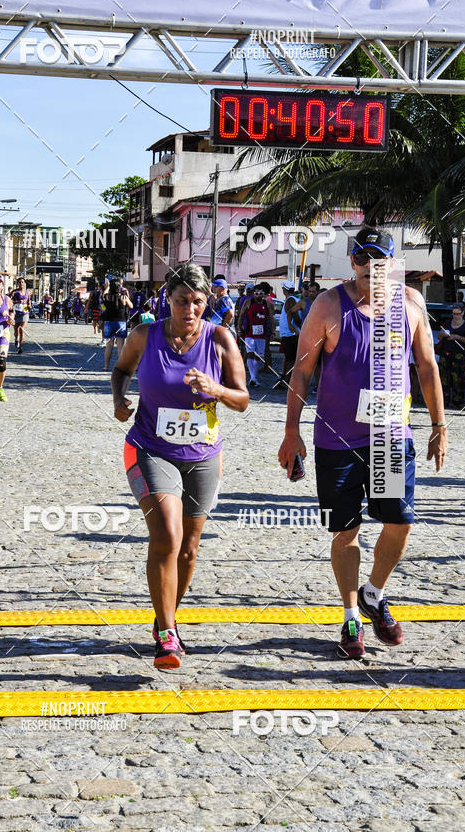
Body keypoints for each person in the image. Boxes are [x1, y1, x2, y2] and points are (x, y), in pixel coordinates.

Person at [278, 227, 447, 660]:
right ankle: (352, 613)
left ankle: (374, 593)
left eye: (378, 259)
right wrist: (291, 430)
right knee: (345, 531)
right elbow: (301, 371)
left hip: (391, 438)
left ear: (390, 263)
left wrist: (439, 425)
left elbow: (427, 366)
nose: (369, 267)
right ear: (352, 262)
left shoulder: (411, 303)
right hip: (338, 440)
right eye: (361, 258)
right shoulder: (329, 304)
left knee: (400, 522)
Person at [111, 263, 248, 669]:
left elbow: (242, 399)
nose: (190, 309)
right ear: (167, 300)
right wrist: (119, 400)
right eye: (182, 301)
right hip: (150, 448)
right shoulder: (144, 335)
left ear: (208, 303)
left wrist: (215, 388)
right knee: (167, 537)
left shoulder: (220, 338)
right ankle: (168, 635)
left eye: (198, 302)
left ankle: (162, 618)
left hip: (203, 455)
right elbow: (121, 370)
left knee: (188, 550)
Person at [436, 304, 465, 408]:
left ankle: (457, 402)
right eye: (454, 313)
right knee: (444, 378)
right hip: (445, 353)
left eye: (458, 313)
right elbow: (439, 337)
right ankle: (444, 400)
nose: (456, 316)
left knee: (458, 378)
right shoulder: (447, 323)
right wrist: (443, 334)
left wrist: (457, 337)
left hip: (459, 355)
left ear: (463, 313)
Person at [238, 284, 271, 389]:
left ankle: (254, 377)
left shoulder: (268, 304)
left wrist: (273, 331)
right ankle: (253, 378)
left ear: (264, 294)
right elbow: (241, 314)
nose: (258, 295)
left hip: (262, 334)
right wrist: (239, 328)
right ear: (254, 293)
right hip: (249, 333)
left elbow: (271, 319)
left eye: (260, 293)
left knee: (259, 356)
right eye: (256, 293)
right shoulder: (248, 302)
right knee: (250, 353)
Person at [102, 279, 132, 371]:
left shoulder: (107, 296)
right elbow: (131, 306)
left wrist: (107, 287)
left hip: (109, 323)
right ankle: (121, 367)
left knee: (109, 345)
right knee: (120, 345)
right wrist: (126, 296)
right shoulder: (123, 297)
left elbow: (103, 297)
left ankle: (106, 366)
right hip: (121, 323)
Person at [278, 280, 301, 386]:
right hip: (289, 334)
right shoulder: (292, 299)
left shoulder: (290, 300)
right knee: (289, 358)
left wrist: (294, 327)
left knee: (290, 359)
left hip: (290, 334)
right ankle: (287, 380)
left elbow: (294, 314)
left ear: (285, 289)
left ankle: (288, 381)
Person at [11, 277, 31, 354]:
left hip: (25, 312)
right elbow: (10, 301)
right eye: (19, 282)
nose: (21, 284)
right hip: (16, 313)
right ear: (17, 284)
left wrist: (29, 305)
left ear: (25, 283)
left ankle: (20, 347)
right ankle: (16, 339)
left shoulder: (28, 292)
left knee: (22, 329)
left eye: (22, 282)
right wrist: (18, 301)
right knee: (16, 330)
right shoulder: (15, 292)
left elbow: (29, 301)